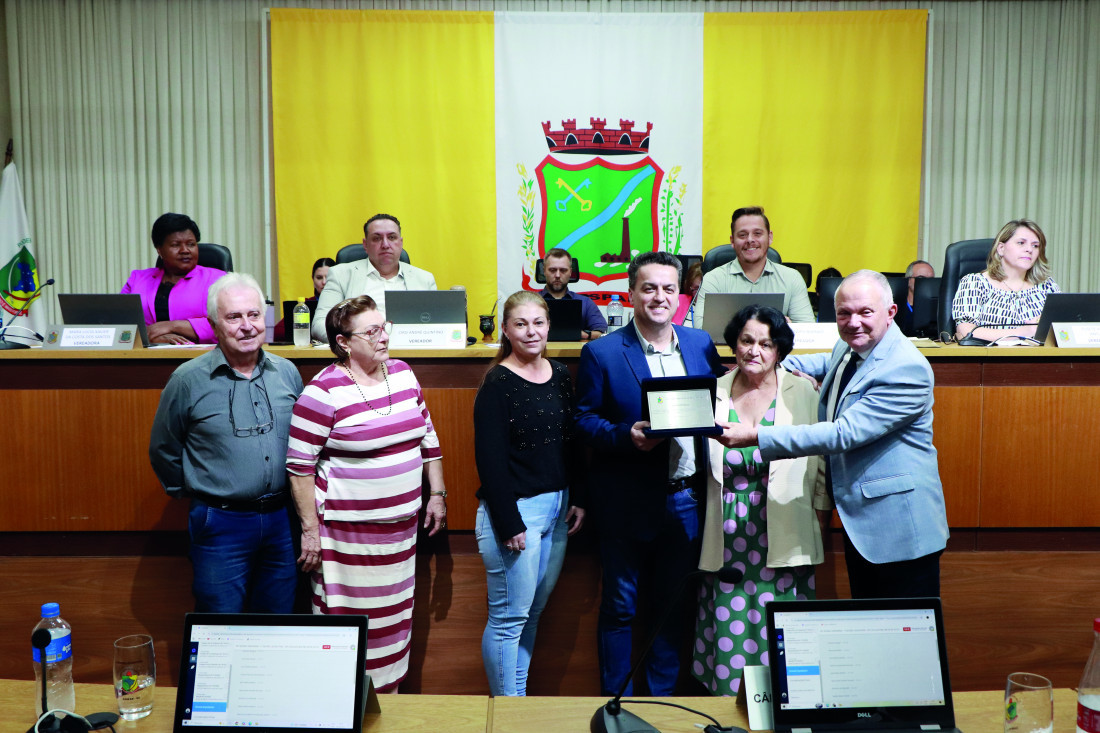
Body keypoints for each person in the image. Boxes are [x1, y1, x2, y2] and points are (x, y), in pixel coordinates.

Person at [719, 270, 949, 599]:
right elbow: (828, 361)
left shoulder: (905, 368)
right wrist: (767, 362)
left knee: (906, 635)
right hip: (863, 526)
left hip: (899, 529)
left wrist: (757, 435)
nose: (853, 322)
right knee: (869, 625)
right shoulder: (853, 344)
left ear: (891, 312)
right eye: (844, 313)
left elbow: (843, 434)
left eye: (865, 312)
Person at [575, 251, 727, 697]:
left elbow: (721, 400)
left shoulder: (699, 344)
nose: (659, 297)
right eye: (649, 288)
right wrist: (627, 436)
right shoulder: (601, 351)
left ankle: (659, 703)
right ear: (631, 294)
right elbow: (582, 421)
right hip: (625, 501)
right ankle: (617, 703)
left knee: (672, 607)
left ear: (679, 295)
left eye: (667, 288)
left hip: (687, 500)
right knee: (621, 608)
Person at [287, 295, 447, 692]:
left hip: (399, 537)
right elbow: (298, 466)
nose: (383, 336)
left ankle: (386, 707)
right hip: (346, 542)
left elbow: (428, 436)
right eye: (372, 330)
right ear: (344, 342)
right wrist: (310, 531)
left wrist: (438, 494)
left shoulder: (404, 374)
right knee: (347, 629)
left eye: (384, 327)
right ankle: (341, 707)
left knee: (391, 626)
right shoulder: (322, 392)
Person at [694, 305, 827, 695]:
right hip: (725, 532)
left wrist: (822, 510)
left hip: (784, 527)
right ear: (733, 344)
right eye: (747, 341)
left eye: (766, 343)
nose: (755, 350)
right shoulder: (711, 390)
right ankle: (726, 706)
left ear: (779, 350)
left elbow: (820, 456)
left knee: (781, 626)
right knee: (728, 623)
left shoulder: (802, 389)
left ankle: (785, 706)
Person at [149, 272, 302, 612]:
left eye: (254, 314)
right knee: (219, 627)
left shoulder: (288, 372)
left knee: (279, 623)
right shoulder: (188, 380)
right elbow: (164, 448)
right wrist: (197, 490)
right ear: (214, 325)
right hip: (220, 523)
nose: (247, 326)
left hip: (281, 520)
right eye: (234, 317)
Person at [473, 290, 586, 696]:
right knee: (508, 619)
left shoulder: (558, 373)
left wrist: (578, 497)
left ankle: (517, 703)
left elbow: (570, 442)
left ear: (549, 326)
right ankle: (508, 713)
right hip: (515, 516)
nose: (530, 331)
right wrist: (508, 522)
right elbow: (489, 461)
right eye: (520, 324)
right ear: (505, 329)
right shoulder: (496, 384)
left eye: (538, 323)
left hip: (555, 512)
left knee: (531, 614)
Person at [311, 214, 437, 340]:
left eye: (392, 237)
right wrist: (355, 342)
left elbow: (439, 327)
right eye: (377, 238)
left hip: (413, 355)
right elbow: (319, 325)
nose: (385, 244)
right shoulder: (340, 275)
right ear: (365, 245)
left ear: (401, 242)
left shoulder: (424, 279)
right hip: (359, 355)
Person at [694, 207, 815, 326]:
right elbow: (702, 329)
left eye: (757, 233)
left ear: (770, 237)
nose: (750, 239)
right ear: (732, 241)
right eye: (742, 235)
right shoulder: (713, 279)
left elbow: (808, 331)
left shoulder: (792, 278)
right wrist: (774, 324)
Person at [121, 213, 225, 344]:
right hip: (144, 358)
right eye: (176, 245)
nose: (185, 250)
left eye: (191, 244)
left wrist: (170, 326)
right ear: (159, 250)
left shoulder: (218, 280)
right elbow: (121, 324)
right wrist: (151, 337)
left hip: (199, 358)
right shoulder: (137, 279)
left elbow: (228, 324)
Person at [952, 219, 1060, 342]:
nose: (1029, 249)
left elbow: (1062, 328)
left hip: (1042, 358)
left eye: (1035, 246)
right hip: (990, 358)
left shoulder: (1047, 286)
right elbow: (965, 331)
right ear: (1001, 248)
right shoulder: (974, 283)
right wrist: (1022, 332)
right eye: (1021, 243)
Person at [540, 247, 607, 339]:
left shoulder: (585, 302)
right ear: (544, 271)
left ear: (570, 272)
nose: (558, 275)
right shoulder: (530, 301)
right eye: (552, 270)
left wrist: (582, 334)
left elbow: (602, 332)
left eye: (563, 270)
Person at [897, 260, 935, 336]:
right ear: (908, 280)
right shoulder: (897, 308)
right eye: (921, 278)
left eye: (931, 279)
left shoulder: (937, 309)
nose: (926, 282)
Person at [674, 261, 703, 325]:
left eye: (704, 288)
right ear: (690, 288)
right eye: (696, 288)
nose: (701, 293)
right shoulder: (677, 302)